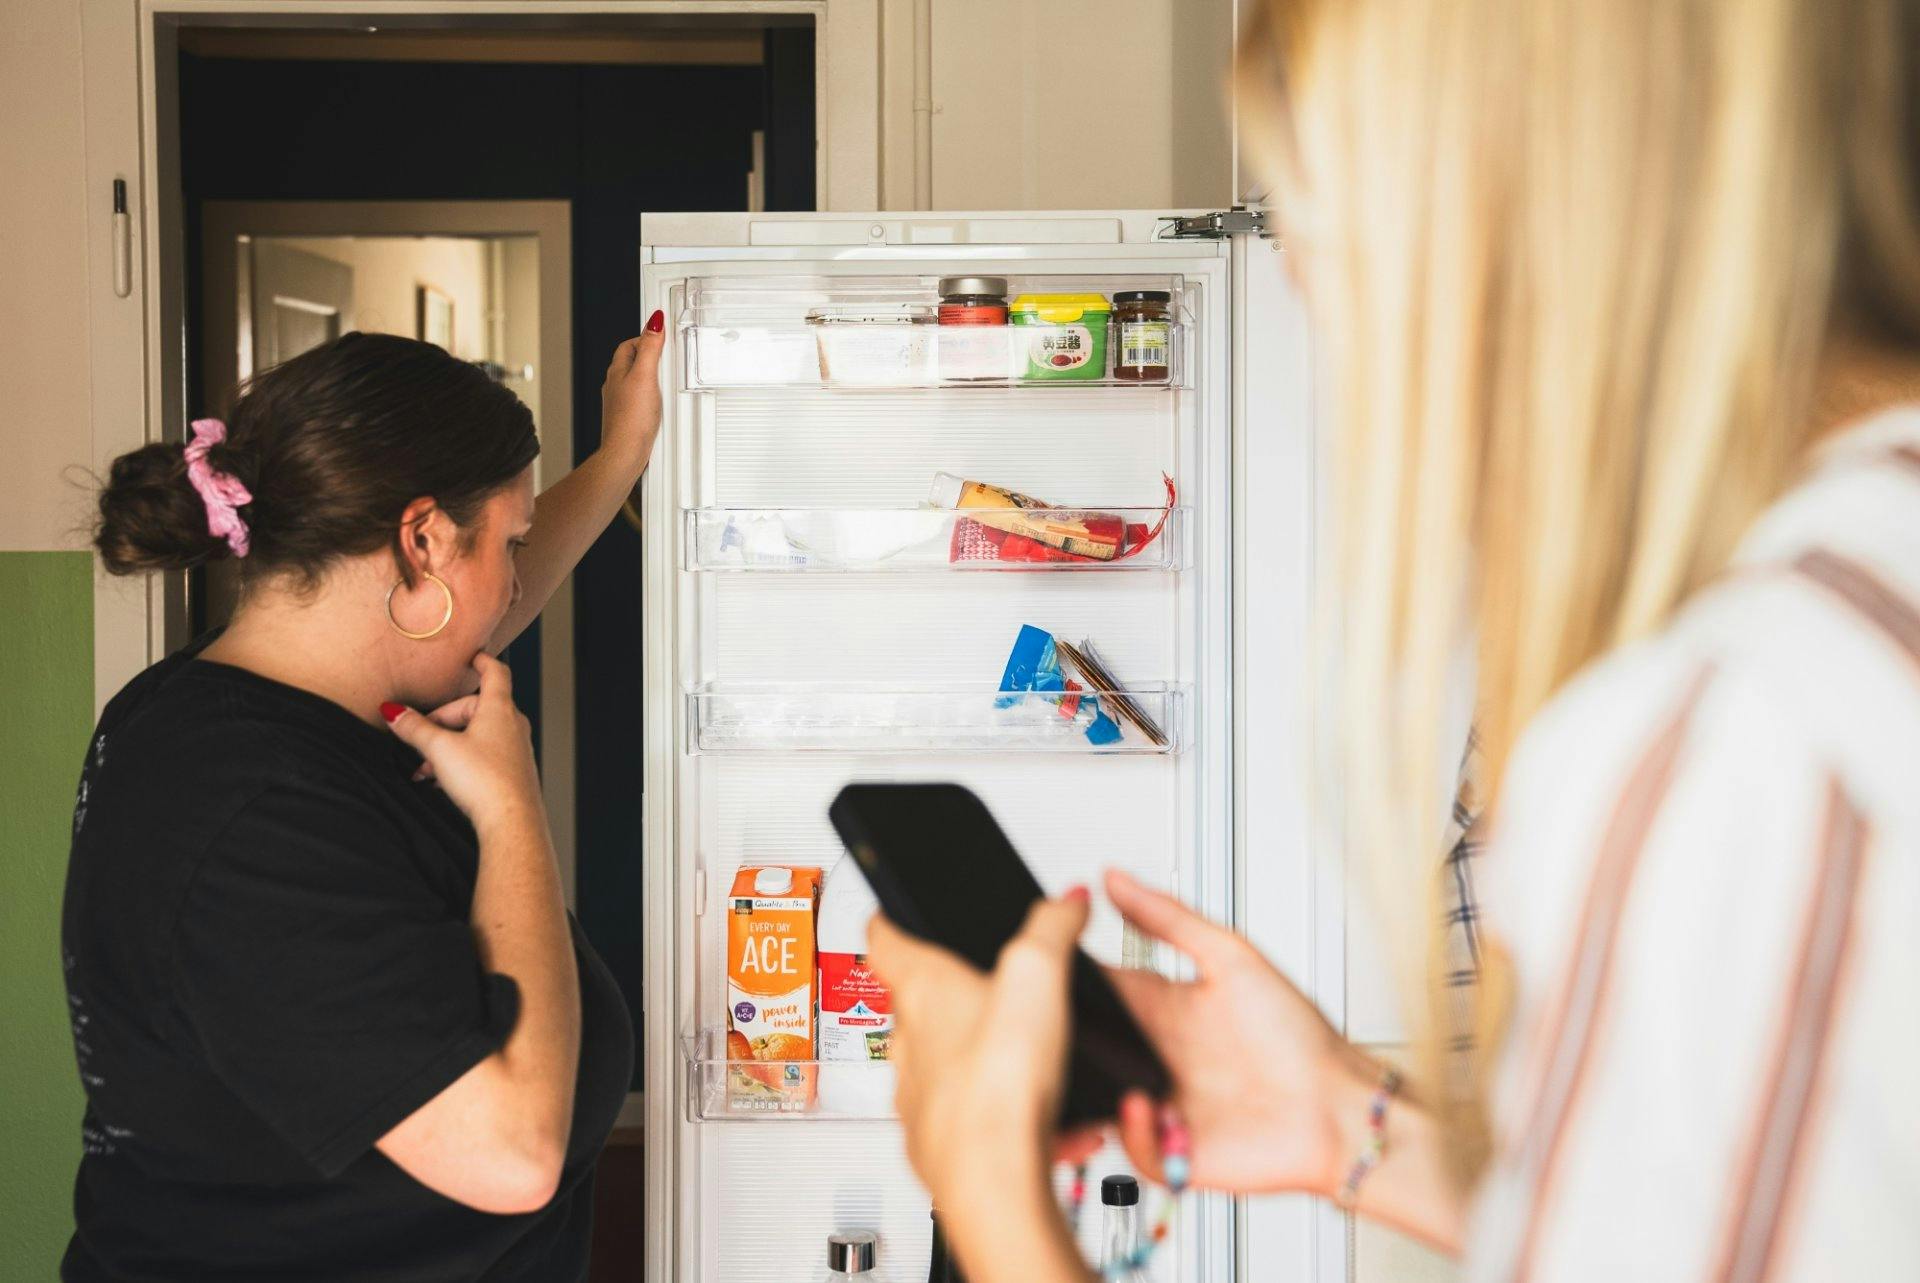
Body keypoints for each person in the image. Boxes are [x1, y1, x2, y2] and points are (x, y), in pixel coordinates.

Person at [869, 1, 1920, 1279]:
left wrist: (991, 1196)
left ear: (1518, 205)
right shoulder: (1874, 553)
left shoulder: (1742, 730)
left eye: (1321, 215)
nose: (1307, 291)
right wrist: (1343, 1120)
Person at [63, 313, 666, 1281]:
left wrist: (619, 457)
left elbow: (467, 605)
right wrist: (513, 807)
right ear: (421, 538)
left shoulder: (234, 700)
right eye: (508, 542)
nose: (515, 584)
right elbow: (510, 1154)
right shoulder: (250, 812)